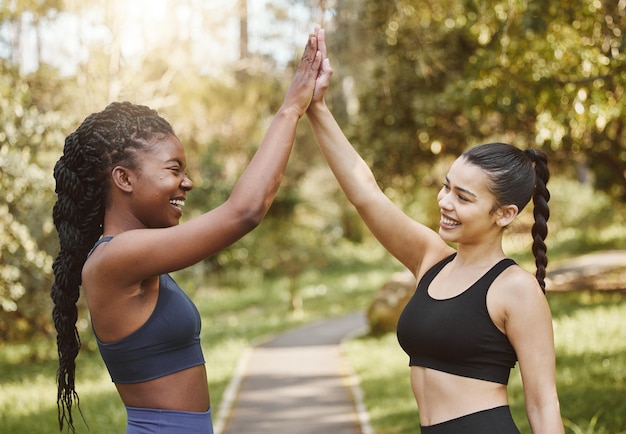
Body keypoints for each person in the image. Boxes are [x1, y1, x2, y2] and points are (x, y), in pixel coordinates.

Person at [50, 29, 323, 433]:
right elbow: (244, 212)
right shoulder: (114, 258)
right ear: (123, 178)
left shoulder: (135, 255)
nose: (188, 182)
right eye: (174, 169)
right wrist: (289, 110)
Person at [306, 30, 563, 433]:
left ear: (504, 213)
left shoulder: (516, 288)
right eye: (446, 187)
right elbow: (366, 194)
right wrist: (316, 108)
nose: (445, 202)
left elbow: (543, 402)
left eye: (463, 197)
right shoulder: (431, 258)